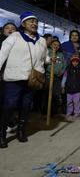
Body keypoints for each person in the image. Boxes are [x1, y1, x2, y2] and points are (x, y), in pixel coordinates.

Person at [0, 11, 56, 148]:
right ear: (23, 24)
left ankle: (21, 132)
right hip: (14, 77)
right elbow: (3, 53)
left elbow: (43, 58)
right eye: (30, 21)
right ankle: (1, 135)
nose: (34, 24)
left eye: (36, 22)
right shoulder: (14, 37)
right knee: (10, 105)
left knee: (26, 105)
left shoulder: (42, 40)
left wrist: (50, 60)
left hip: (33, 79)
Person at [41, 39, 67, 117]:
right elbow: (46, 65)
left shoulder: (61, 54)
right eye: (54, 44)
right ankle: (45, 112)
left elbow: (64, 64)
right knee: (47, 94)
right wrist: (55, 72)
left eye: (58, 45)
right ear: (51, 45)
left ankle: (53, 111)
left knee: (56, 95)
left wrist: (61, 72)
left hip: (58, 78)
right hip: (49, 76)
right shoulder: (47, 52)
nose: (56, 46)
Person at [0, 23, 17, 133]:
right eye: (7, 28)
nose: (10, 30)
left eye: (13, 28)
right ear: (3, 31)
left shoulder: (18, 43)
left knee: (9, 101)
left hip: (12, 75)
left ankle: (6, 122)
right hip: (2, 75)